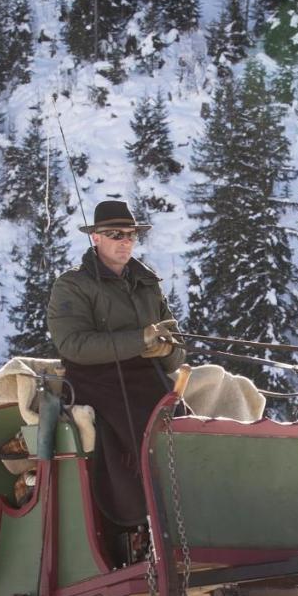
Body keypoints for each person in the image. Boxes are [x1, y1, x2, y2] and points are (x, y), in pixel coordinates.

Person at [46, 200, 185, 550]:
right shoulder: (73, 285)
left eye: (131, 235)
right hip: (95, 380)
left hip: (148, 377)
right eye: (115, 234)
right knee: (142, 433)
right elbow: (73, 344)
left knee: (185, 427)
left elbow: (177, 345)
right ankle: (143, 526)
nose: (125, 242)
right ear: (95, 238)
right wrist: (139, 340)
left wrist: (166, 350)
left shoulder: (148, 283)